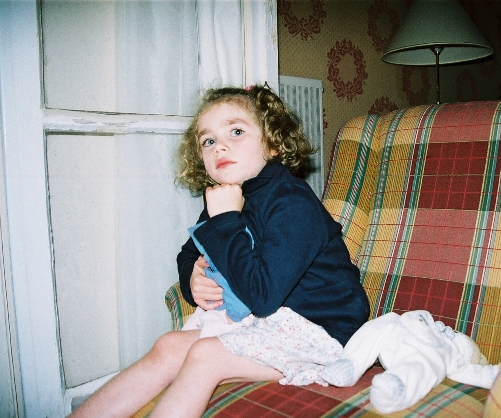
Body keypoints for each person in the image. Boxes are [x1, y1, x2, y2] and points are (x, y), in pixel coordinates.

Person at [70, 85, 370, 418]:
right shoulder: (226, 196)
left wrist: (226, 219)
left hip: (320, 329)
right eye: (208, 141)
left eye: (236, 132)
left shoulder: (292, 202)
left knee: (206, 356)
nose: (219, 146)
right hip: (265, 321)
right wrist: (192, 279)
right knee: (167, 346)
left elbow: (263, 296)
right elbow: (189, 252)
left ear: (272, 143)